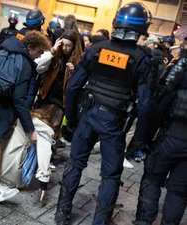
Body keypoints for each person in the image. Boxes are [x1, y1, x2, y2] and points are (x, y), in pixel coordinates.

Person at [55, 2, 155, 224]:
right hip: (115, 123)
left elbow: (72, 87)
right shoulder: (142, 59)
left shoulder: (97, 49)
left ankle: (61, 214)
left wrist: (71, 120)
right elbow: (146, 105)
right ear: (142, 29)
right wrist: (139, 139)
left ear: (116, 23)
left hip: (88, 116)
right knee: (110, 175)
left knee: (75, 164)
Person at [0, 30, 51, 204]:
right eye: (38, 52)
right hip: (1, 108)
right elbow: (19, 101)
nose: (38, 57)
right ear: (30, 47)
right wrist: (30, 130)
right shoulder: (24, 64)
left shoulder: (1, 51)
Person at [135, 30, 187, 225]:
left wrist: (147, 137)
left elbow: (161, 102)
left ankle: (144, 221)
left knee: (153, 179)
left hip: (172, 136)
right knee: (179, 192)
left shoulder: (181, 65)